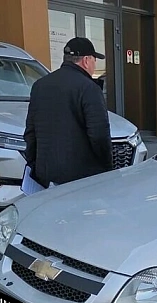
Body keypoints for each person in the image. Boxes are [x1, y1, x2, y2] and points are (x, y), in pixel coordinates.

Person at [23, 37, 113, 190]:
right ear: (86, 60)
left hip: (45, 175)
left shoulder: (40, 86)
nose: (94, 65)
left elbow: (30, 132)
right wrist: (106, 166)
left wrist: (34, 165)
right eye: (94, 60)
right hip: (81, 178)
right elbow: (99, 135)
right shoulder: (89, 88)